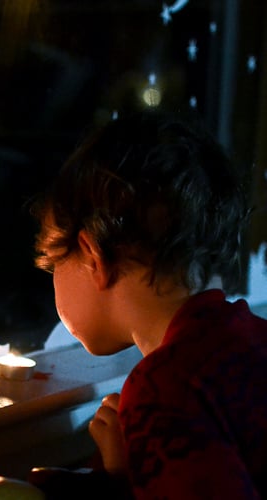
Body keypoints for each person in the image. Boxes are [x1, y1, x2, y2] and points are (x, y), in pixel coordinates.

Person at [27, 111, 267, 498]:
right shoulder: (252, 340)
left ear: (93, 256)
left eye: (53, 262)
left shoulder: (164, 389)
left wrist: (124, 477)